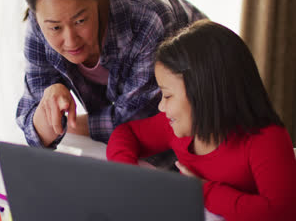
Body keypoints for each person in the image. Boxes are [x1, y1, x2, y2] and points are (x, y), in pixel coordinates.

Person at [106, 19, 296, 221]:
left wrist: (201, 191)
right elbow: (127, 133)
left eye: (167, 96)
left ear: (203, 94)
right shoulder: (177, 128)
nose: (161, 107)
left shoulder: (266, 140)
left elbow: (281, 212)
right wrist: (129, 176)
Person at [16, 0, 206, 149]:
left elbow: (137, 124)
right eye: (55, 28)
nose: (71, 40)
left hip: (204, 124)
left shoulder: (150, 21)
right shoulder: (40, 23)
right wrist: (49, 101)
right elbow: (32, 124)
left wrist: (66, 124)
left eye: (80, 21)